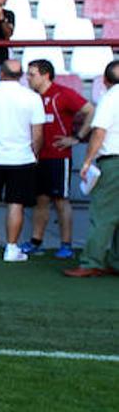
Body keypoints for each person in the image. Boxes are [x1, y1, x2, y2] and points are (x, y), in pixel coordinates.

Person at [0, 59, 46, 262]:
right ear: (21, 75)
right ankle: (11, 248)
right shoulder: (32, 98)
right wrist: (35, 153)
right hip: (21, 158)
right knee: (16, 204)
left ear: (1, 74)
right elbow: (37, 133)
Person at [25, 59, 94, 258]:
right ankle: (36, 242)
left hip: (58, 156)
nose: (28, 78)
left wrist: (77, 138)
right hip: (37, 156)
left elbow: (90, 110)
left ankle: (66, 245)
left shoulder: (62, 94)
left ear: (45, 75)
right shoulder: (31, 98)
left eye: (32, 74)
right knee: (41, 200)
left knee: (61, 200)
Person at [65, 60, 119, 276]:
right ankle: (115, 261)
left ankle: (91, 262)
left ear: (104, 81)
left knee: (103, 214)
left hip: (114, 161)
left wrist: (87, 161)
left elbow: (99, 132)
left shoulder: (110, 97)